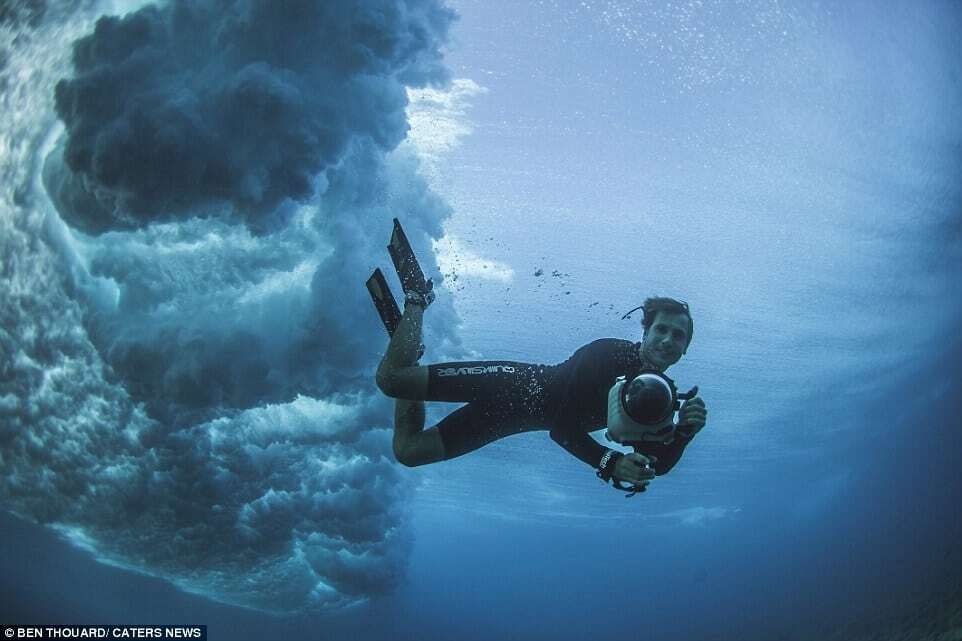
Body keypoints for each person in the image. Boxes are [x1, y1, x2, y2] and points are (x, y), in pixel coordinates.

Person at [375, 292, 707, 493]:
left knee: (408, 451)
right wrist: (610, 461)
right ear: (645, 331)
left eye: (678, 336)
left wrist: (684, 434)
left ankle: (410, 355)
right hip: (508, 381)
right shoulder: (606, 354)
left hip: (502, 420)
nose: (668, 340)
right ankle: (418, 300)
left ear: (685, 349)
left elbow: (655, 466)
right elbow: (562, 428)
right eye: (661, 329)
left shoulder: (659, 401)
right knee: (390, 380)